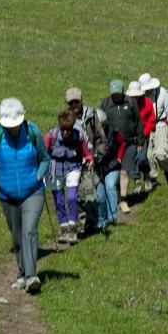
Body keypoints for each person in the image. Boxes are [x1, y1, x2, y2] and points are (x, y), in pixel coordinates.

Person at [0, 98, 48, 294]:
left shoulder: (32, 132)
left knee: (29, 230)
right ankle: (22, 273)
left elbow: (45, 159)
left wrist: (38, 176)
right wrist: (0, 181)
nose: (12, 129)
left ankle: (31, 276)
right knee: (17, 235)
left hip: (33, 191)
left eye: (15, 125)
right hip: (7, 195)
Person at [45, 108, 91, 244]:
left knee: (71, 197)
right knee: (58, 199)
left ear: (72, 127)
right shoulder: (51, 136)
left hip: (73, 167)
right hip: (55, 168)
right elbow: (43, 153)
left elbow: (86, 152)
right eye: (62, 129)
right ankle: (63, 226)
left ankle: (72, 227)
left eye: (68, 130)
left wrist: (89, 160)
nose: (65, 133)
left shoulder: (79, 136)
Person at [65, 87, 104, 234]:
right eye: (71, 103)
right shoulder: (66, 117)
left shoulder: (91, 114)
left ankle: (92, 221)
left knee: (89, 191)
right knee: (77, 192)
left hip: (90, 159)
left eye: (76, 102)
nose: (74, 105)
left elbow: (100, 136)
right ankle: (81, 220)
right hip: (73, 160)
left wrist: (98, 153)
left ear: (82, 100)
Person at [101, 79, 142, 207]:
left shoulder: (130, 102)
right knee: (114, 171)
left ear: (123, 92)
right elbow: (100, 122)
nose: (116, 96)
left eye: (118, 94)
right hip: (112, 145)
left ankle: (124, 200)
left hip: (129, 143)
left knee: (124, 171)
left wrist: (140, 140)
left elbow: (138, 121)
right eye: (113, 94)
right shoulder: (105, 104)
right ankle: (115, 196)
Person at [90, 110, 123, 233]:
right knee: (100, 193)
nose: (100, 127)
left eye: (102, 125)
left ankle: (113, 216)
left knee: (110, 186)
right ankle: (101, 218)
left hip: (112, 164)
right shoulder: (91, 133)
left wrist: (119, 157)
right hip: (98, 167)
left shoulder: (113, 131)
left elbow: (122, 143)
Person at [138, 73, 168, 192]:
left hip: (160, 124)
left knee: (160, 154)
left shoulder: (162, 92)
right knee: (149, 156)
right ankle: (153, 178)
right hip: (146, 128)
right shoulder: (139, 98)